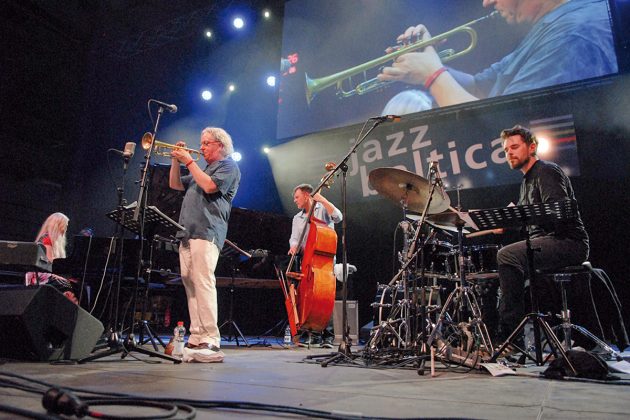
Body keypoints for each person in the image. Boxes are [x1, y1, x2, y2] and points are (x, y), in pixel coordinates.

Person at [378, 0, 617, 108]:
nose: (487, 3)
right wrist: (426, 59)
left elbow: (507, 128)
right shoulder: (554, 25)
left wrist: (433, 75)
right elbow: (480, 87)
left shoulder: (572, 34)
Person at [494, 125, 589, 343]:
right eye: (506, 150)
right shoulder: (525, 182)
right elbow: (527, 222)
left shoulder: (546, 171)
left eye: (515, 147)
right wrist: (506, 222)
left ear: (532, 147)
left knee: (507, 255)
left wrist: (516, 217)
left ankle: (511, 337)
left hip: (568, 241)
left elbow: (557, 212)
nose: (509, 152)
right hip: (545, 241)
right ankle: (508, 330)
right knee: (504, 256)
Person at [169, 127, 241, 363]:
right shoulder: (204, 168)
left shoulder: (228, 166)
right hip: (187, 233)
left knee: (203, 282)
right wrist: (175, 161)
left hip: (206, 231)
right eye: (201, 143)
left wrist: (189, 161)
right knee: (190, 284)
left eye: (206, 143)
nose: (201, 147)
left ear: (220, 145)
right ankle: (196, 335)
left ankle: (211, 337)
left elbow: (210, 187)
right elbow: (175, 185)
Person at [288, 183, 343, 347]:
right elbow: (295, 238)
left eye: (297, 197)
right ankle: (311, 331)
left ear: (306, 195)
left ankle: (327, 334)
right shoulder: (297, 218)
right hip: (307, 261)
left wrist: (323, 199)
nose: (295, 200)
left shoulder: (322, 209)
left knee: (325, 297)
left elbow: (338, 217)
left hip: (324, 261)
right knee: (307, 295)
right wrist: (293, 245)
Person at [25, 212, 78, 304]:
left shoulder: (56, 242)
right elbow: (51, 261)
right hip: (40, 274)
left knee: (75, 283)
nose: (66, 228)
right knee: (68, 284)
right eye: (65, 225)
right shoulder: (46, 238)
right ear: (58, 225)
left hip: (49, 272)